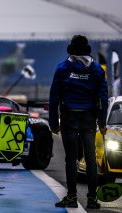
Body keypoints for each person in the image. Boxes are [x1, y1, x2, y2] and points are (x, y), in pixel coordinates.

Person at [49, 35, 108, 209]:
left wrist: (53, 122)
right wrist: (103, 122)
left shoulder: (62, 68)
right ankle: (92, 199)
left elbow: (54, 97)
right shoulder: (97, 69)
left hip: (69, 117)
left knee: (71, 159)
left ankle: (72, 197)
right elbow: (103, 98)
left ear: (70, 49)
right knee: (91, 159)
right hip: (89, 118)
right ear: (88, 49)